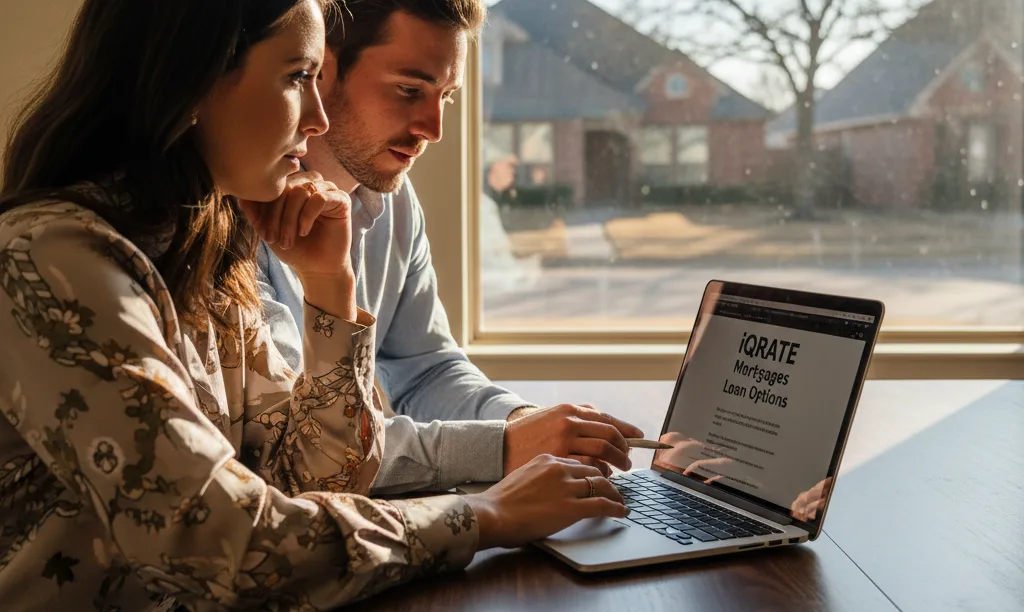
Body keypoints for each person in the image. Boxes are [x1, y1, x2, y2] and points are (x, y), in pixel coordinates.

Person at [0, 2, 629, 609]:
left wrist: (330, 285)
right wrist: (486, 514)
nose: (318, 116)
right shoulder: (53, 259)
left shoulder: (206, 253)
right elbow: (227, 545)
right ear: (193, 75)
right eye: (299, 77)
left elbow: (313, 482)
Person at [256, 0, 645, 485]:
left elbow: (426, 370)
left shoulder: (393, 201)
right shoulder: (236, 205)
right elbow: (299, 441)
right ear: (322, 69)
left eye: (446, 97)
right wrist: (504, 449)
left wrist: (522, 423)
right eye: (408, 90)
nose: (432, 130)